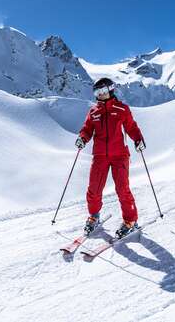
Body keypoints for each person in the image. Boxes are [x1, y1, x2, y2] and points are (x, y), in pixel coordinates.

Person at [76, 77, 145, 238]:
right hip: (100, 155)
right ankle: (94, 216)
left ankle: (130, 220)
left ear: (110, 90)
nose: (100, 94)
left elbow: (131, 127)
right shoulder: (94, 111)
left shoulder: (122, 109)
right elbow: (87, 129)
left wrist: (138, 139)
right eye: (97, 92)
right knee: (94, 188)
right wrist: (82, 138)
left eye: (103, 91)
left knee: (122, 189)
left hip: (120, 155)